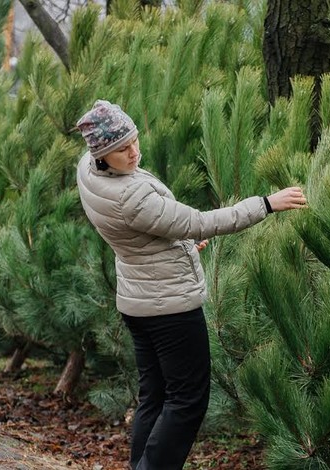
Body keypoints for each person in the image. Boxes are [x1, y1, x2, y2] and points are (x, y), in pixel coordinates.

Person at [74, 100, 306, 470]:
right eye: (121, 149)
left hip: (138, 298)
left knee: (155, 396)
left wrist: (175, 241)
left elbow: (144, 232)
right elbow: (199, 221)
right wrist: (265, 203)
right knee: (188, 401)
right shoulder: (132, 197)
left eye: (134, 141)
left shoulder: (88, 171)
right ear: (102, 155)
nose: (133, 152)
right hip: (170, 309)